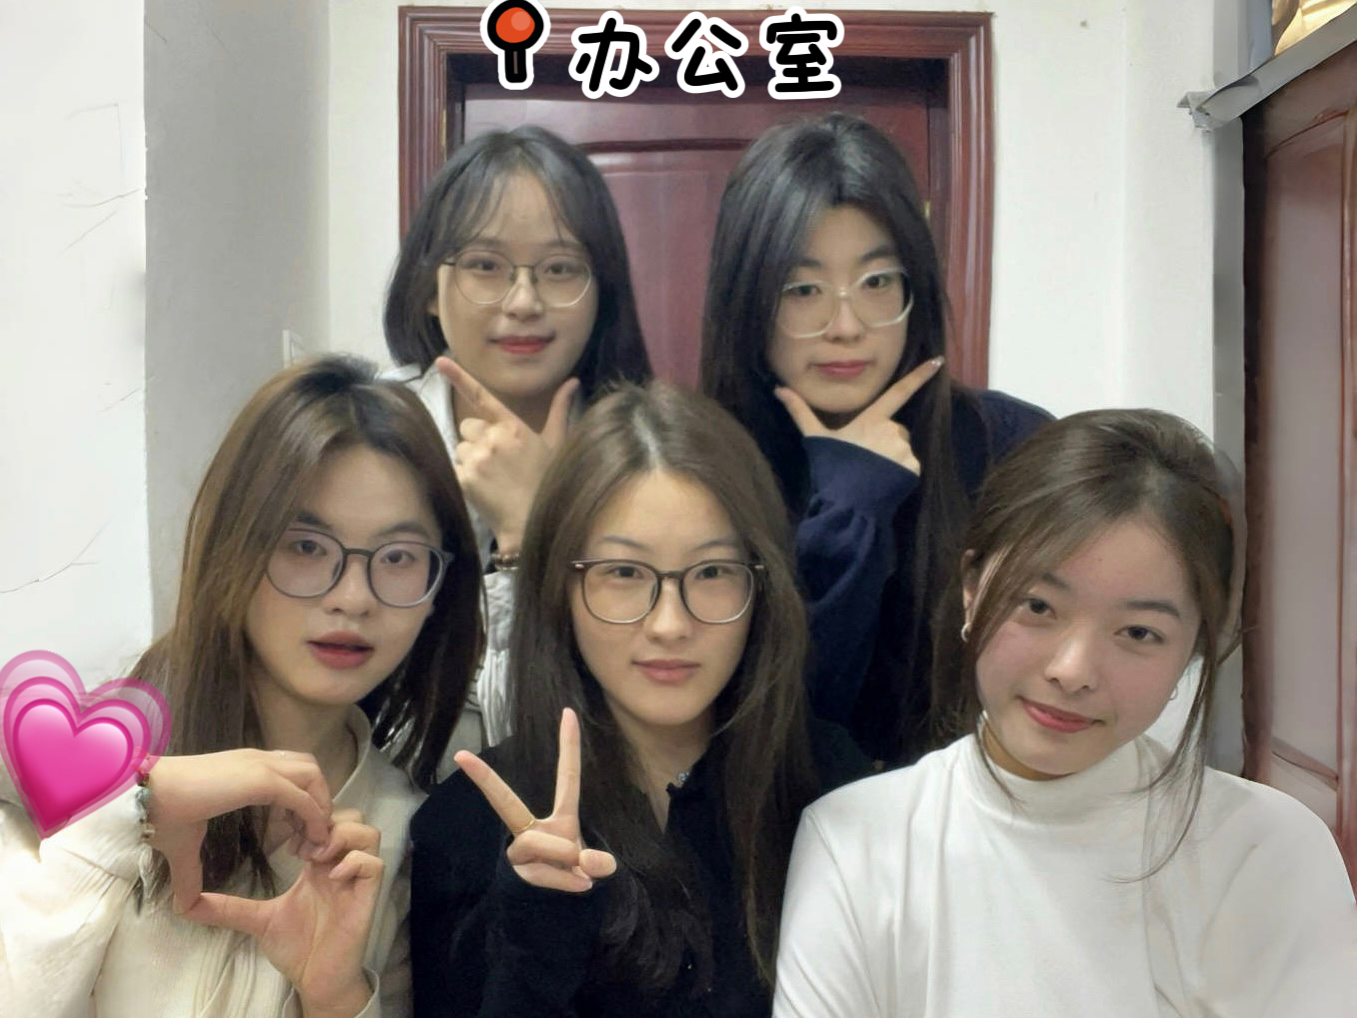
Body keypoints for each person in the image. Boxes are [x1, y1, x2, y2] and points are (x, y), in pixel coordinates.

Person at [772, 409, 1357, 1017]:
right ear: (972, 587)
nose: (1073, 670)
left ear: (1193, 649)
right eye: (1037, 606)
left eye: (1138, 632)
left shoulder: (1263, 851)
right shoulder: (856, 842)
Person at [0, 356, 483, 1017]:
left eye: (398, 557)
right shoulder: (62, 752)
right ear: (236, 546)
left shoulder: (400, 833)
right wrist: (136, 797)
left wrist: (336, 996)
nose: (352, 597)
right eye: (306, 546)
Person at [408, 382, 867, 1017]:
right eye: (624, 573)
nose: (670, 624)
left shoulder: (833, 790)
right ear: (559, 588)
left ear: (762, 587)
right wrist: (533, 946)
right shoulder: (469, 824)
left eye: (712, 572)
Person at [702, 112, 1050, 765]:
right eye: (802, 289)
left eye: (877, 282)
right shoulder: (698, 468)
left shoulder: (1010, 446)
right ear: (747, 298)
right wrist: (848, 513)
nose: (845, 325)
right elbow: (772, 730)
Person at [384, 125, 652, 757]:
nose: (524, 301)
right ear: (429, 288)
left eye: (560, 269)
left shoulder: (644, 459)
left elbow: (622, 715)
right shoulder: (369, 438)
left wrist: (531, 535)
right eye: (485, 265)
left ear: (602, 290)